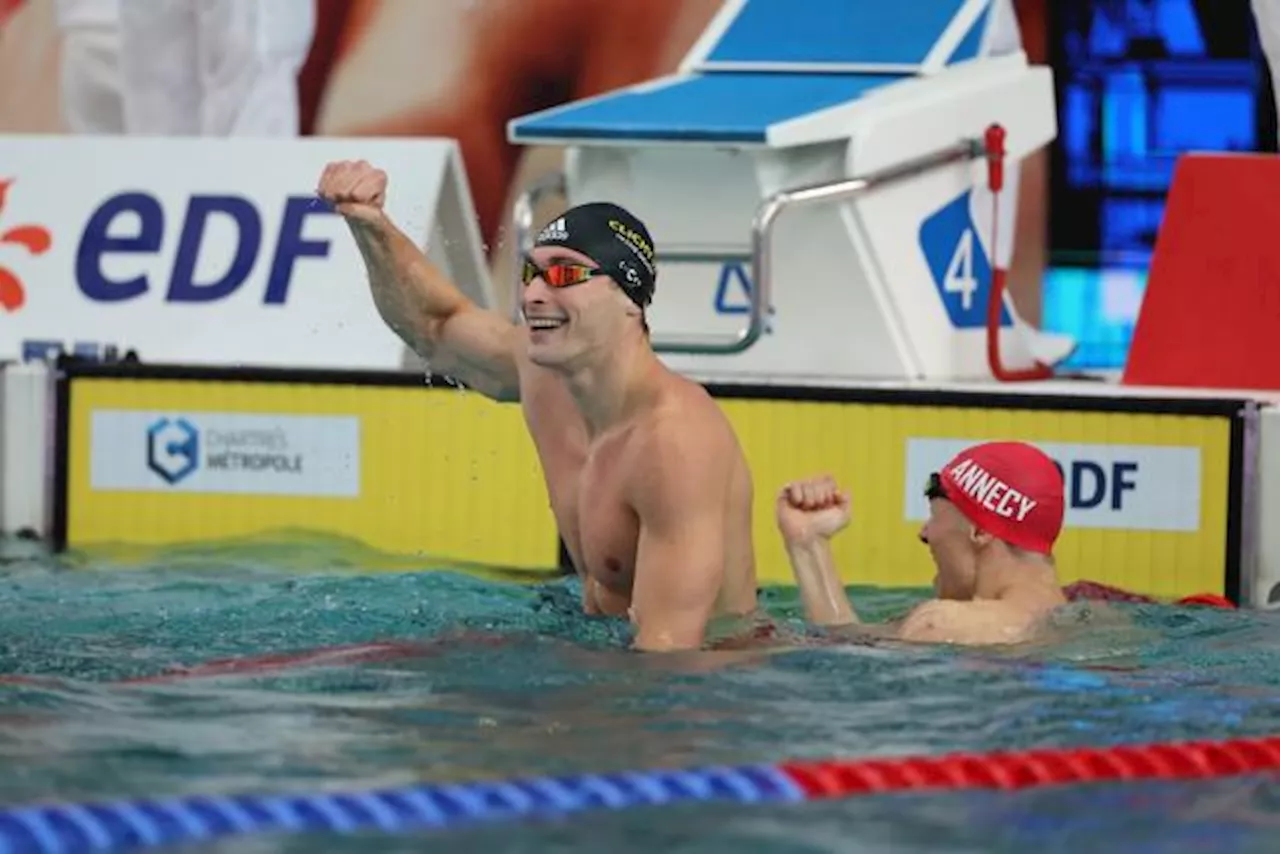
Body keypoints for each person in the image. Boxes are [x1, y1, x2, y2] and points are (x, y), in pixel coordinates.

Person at [316, 160, 759, 653]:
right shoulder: (543, 371)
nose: (533, 295)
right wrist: (371, 227)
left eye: (564, 276)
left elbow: (669, 659)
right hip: (605, 647)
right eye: (531, 274)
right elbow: (434, 327)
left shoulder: (674, 442)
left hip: (713, 690)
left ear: (630, 299)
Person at [776, 441, 1069, 646]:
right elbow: (850, 639)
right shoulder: (1080, 617)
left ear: (980, 531)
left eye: (934, 516)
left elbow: (840, 668)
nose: (925, 533)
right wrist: (809, 542)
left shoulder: (942, 625)